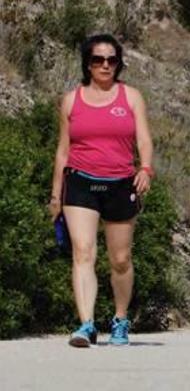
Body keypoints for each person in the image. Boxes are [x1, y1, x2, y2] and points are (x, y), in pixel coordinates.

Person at [49, 34, 154, 347]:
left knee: (120, 259)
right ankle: (86, 324)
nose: (105, 65)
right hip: (80, 182)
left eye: (111, 60)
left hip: (121, 183)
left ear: (118, 63)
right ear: (88, 63)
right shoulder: (71, 100)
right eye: (98, 60)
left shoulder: (131, 97)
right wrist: (56, 195)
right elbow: (62, 151)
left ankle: (120, 320)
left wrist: (146, 168)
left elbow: (145, 139)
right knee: (83, 252)